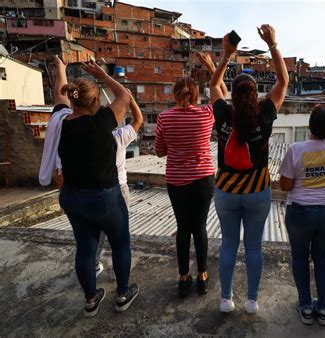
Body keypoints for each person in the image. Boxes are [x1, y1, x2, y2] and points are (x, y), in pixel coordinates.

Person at [209, 24, 289, 314]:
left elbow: (213, 86)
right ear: (256, 95)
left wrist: (226, 55)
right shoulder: (265, 114)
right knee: (254, 248)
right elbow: (283, 80)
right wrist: (273, 44)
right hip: (257, 191)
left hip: (227, 192)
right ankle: (252, 300)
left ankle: (225, 300)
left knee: (229, 245)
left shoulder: (222, 113)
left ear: (233, 94)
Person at [54, 57, 139, 317]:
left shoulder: (60, 121)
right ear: (94, 102)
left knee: (86, 248)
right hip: (103, 197)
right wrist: (102, 75)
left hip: (71, 196)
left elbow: (60, 92)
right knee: (121, 244)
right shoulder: (101, 121)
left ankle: (91, 300)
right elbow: (124, 95)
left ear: (72, 101)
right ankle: (122, 295)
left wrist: (60, 67)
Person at [154, 52, 227, 298]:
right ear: (196, 95)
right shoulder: (207, 115)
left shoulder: (164, 118)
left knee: (183, 228)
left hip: (176, 180)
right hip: (204, 179)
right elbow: (221, 94)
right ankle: (203, 276)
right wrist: (210, 66)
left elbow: (160, 151)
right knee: (200, 227)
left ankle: (183, 278)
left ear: (175, 95)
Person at [279, 97, 325, 325]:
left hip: (300, 212)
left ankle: (306, 307)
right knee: (323, 256)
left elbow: (286, 185)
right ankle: (323, 309)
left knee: (300, 257)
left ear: (310, 127)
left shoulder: (296, 149)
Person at [95, 93, 143, 277]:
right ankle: (118, 270)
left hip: (94, 190)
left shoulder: (87, 137)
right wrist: (129, 99)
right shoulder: (119, 136)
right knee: (119, 233)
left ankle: (93, 264)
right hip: (118, 189)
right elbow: (139, 119)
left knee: (97, 230)